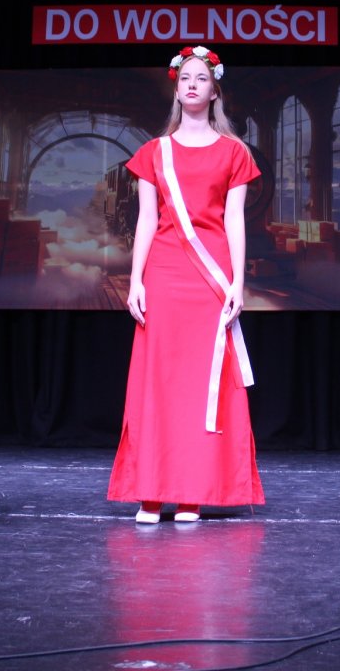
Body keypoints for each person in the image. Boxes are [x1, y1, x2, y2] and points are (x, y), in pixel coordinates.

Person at [106, 46, 264, 523]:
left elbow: (234, 220)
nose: (193, 84)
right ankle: (152, 492)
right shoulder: (153, 153)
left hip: (209, 278)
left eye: (202, 78)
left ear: (215, 90)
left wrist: (237, 281)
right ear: (177, 89)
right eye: (186, 78)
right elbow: (146, 220)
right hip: (165, 274)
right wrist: (136, 280)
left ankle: (191, 492)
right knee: (159, 383)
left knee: (200, 384)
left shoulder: (235, 152)